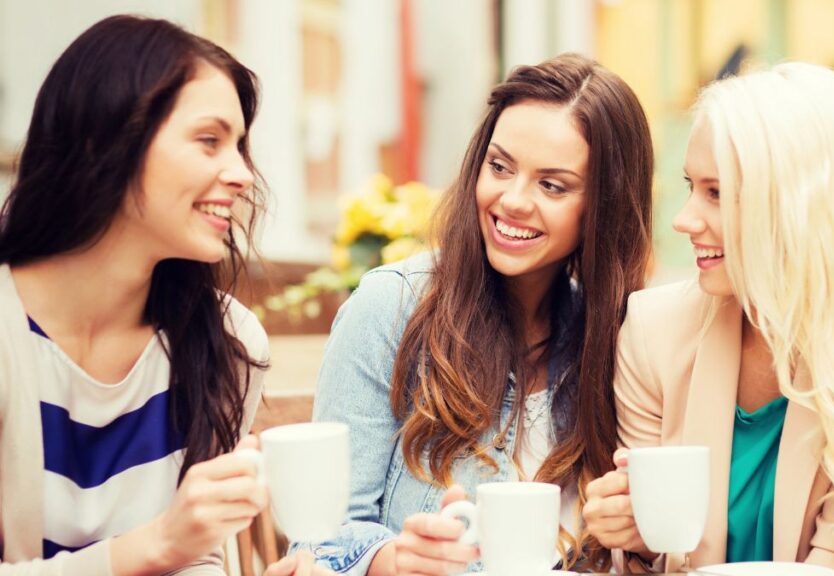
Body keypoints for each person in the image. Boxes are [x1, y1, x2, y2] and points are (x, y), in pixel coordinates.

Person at [583, 62, 834, 576]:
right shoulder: (654, 331)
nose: (683, 219)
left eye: (716, 193)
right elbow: (655, 558)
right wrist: (636, 537)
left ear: (799, 206)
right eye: (691, 186)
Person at [267, 53, 654, 576]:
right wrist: (396, 560)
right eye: (499, 166)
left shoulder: (619, 335)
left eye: (552, 185)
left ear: (603, 206)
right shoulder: (391, 308)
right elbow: (319, 542)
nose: (511, 200)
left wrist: (640, 534)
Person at [0, 15, 270, 575]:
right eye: (208, 141)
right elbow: (170, 549)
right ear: (109, 137)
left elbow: (198, 559)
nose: (243, 173)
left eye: (240, 146)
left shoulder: (230, 342)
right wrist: (155, 548)